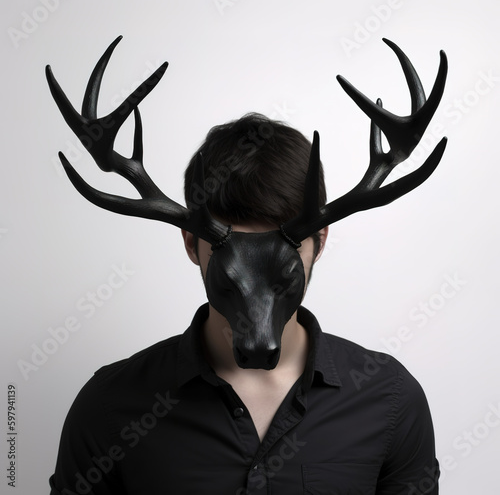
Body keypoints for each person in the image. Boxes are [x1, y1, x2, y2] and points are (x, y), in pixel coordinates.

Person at [48, 112, 440, 495]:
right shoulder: (110, 404)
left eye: (280, 259)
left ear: (319, 243)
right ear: (191, 244)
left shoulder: (390, 399)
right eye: (231, 256)